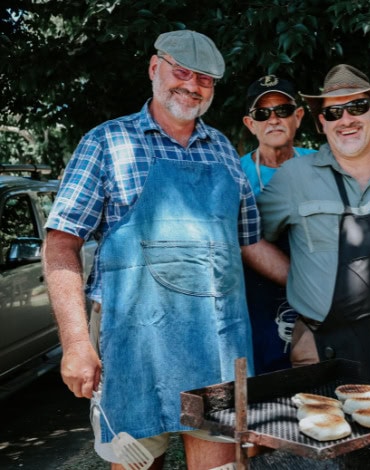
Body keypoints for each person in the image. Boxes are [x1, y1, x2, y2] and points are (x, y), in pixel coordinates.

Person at [42, 30, 288, 470]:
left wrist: (319, 291)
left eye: (205, 79)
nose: (192, 86)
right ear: (155, 68)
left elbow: (250, 242)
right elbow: (61, 244)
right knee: (137, 463)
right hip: (134, 345)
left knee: (220, 465)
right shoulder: (107, 142)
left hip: (217, 344)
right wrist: (76, 343)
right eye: (182, 72)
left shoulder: (224, 152)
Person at [258, 64, 370, 391]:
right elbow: (248, 238)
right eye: (334, 112)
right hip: (324, 350)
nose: (346, 119)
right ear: (322, 123)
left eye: (357, 107)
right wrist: (295, 277)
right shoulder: (293, 178)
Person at [240, 75, 316, 373]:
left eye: (282, 110)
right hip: (259, 293)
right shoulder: (236, 173)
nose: (273, 120)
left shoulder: (323, 164)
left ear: (298, 117)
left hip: (318, 288)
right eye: (262, 114)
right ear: (250, 124)